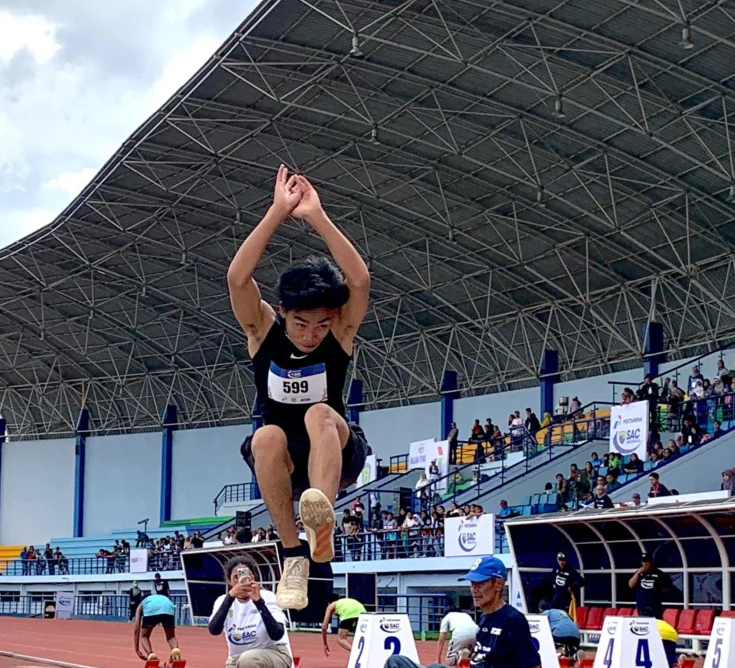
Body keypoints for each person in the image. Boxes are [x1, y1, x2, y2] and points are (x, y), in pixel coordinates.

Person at [228, 166, 370, 609]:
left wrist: (317, 216)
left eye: (321, 324)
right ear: (283, 312)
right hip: (285, 463)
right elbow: (237, 279)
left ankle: (320, 522)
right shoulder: (261, 331)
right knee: (265, 434)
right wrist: (276, 212)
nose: (311, 334)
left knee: (318, 413)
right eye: (301, 323)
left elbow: (360, 281)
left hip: (336, 451)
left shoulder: (339, 336)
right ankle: (294, 555)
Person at [385, 556, 540, 668]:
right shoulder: (485, 618)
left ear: (498, 584)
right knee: (397, 661)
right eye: (472, 584)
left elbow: (533, 665)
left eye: (479, 584)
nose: (474, 590)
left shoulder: (513, 620)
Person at [208, 556, 292, 668]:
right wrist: (231, 597)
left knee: (248, 659)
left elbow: (277, 634)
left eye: (244, 576)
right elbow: (214, 630)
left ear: (252, 577)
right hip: (236, 658)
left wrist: (258, 602)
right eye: (235, 578)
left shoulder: (267, 597)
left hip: (274, 653)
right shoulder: (222, 600)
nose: (240, 581)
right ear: (229, 581)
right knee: (244, 660)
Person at [133, 590, 180, 662]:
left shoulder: (142, 603)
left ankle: (150, 654)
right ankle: (175, 649)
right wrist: (173, 652)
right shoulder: (161, 597)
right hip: (168, 606)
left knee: (144, 636)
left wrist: (137, 649)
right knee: (171, 637)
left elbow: (136, 629)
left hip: (151, 608)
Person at [629, 552, 674, 621]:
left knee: (656, 623)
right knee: (643, 623)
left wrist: (656, 591)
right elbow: (631, 585)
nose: (645, 564)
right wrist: (638, 573)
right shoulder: (638, 573)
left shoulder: (659, 573)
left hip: (654, 605)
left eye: (647, 561)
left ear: (651, 562)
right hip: (642, 604)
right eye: (643, 562)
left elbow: (665, 588)